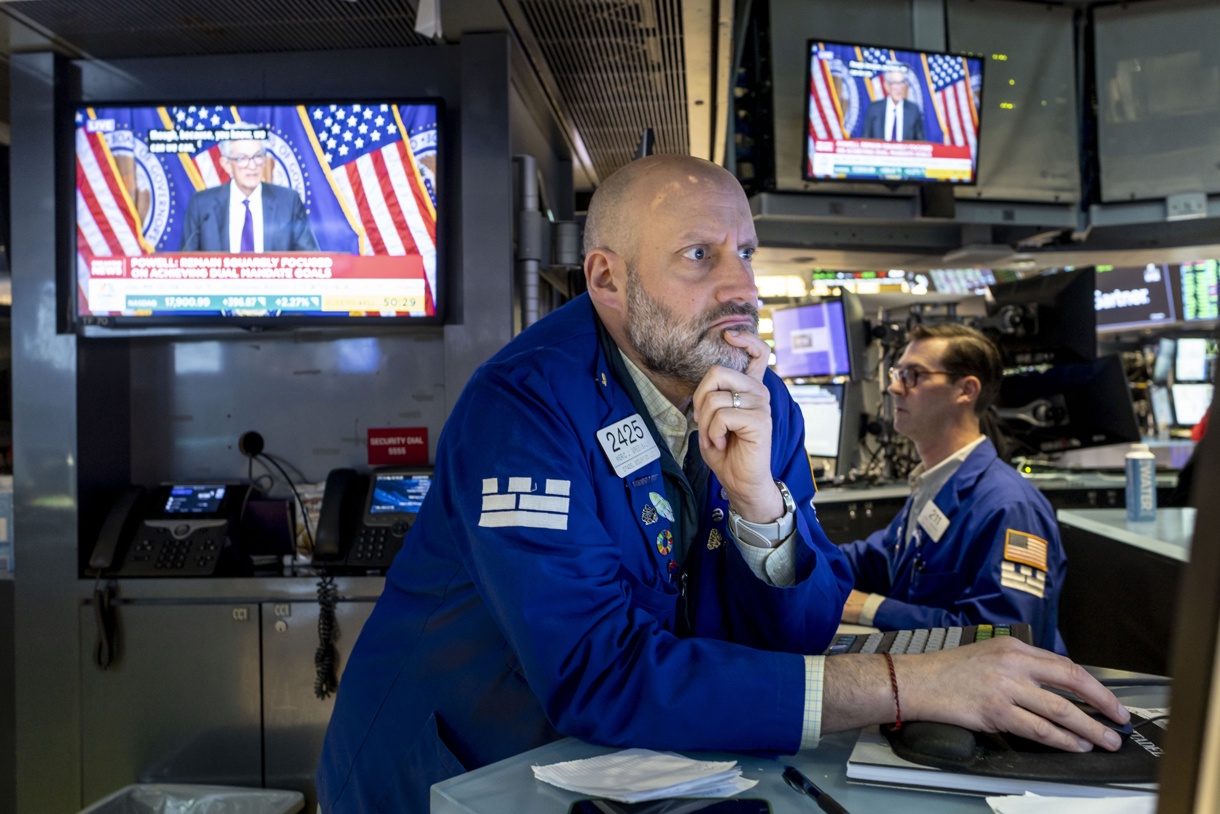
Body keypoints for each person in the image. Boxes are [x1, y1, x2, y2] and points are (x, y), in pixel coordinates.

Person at [315, 155, 1126, 814]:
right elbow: (596, 672)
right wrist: (903, 683)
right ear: (607, 279)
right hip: (449, 776)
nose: (740, 287)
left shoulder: (759, 395)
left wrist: (760, 511)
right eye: (700, 256)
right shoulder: (524, 406)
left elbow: (798, 629)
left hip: (619, 772)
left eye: (746, 252)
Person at [837, 324, 1068, 654]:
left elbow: (1007, 635)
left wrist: (870, 608)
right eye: (896, 373)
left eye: (912, 375)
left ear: (966, 390)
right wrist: (786, 558)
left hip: (996, 700)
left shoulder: (1012, 507)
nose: (893, 387)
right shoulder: (935, 484)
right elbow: (876, 559)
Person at [178, 135, 319, 252]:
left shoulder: (288, 202)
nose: (252, 166)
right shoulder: (202, 205)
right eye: (242, 158)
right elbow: (185, 263)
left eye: (257, 156)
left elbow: (310, 260)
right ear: (226, 164)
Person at [861, 68, 926, 142]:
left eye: (902, 82)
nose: (899, 88)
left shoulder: (913, 111)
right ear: (887, 86)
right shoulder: (874, 109)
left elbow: (921, 143)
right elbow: (865, 141)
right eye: (895, 83)